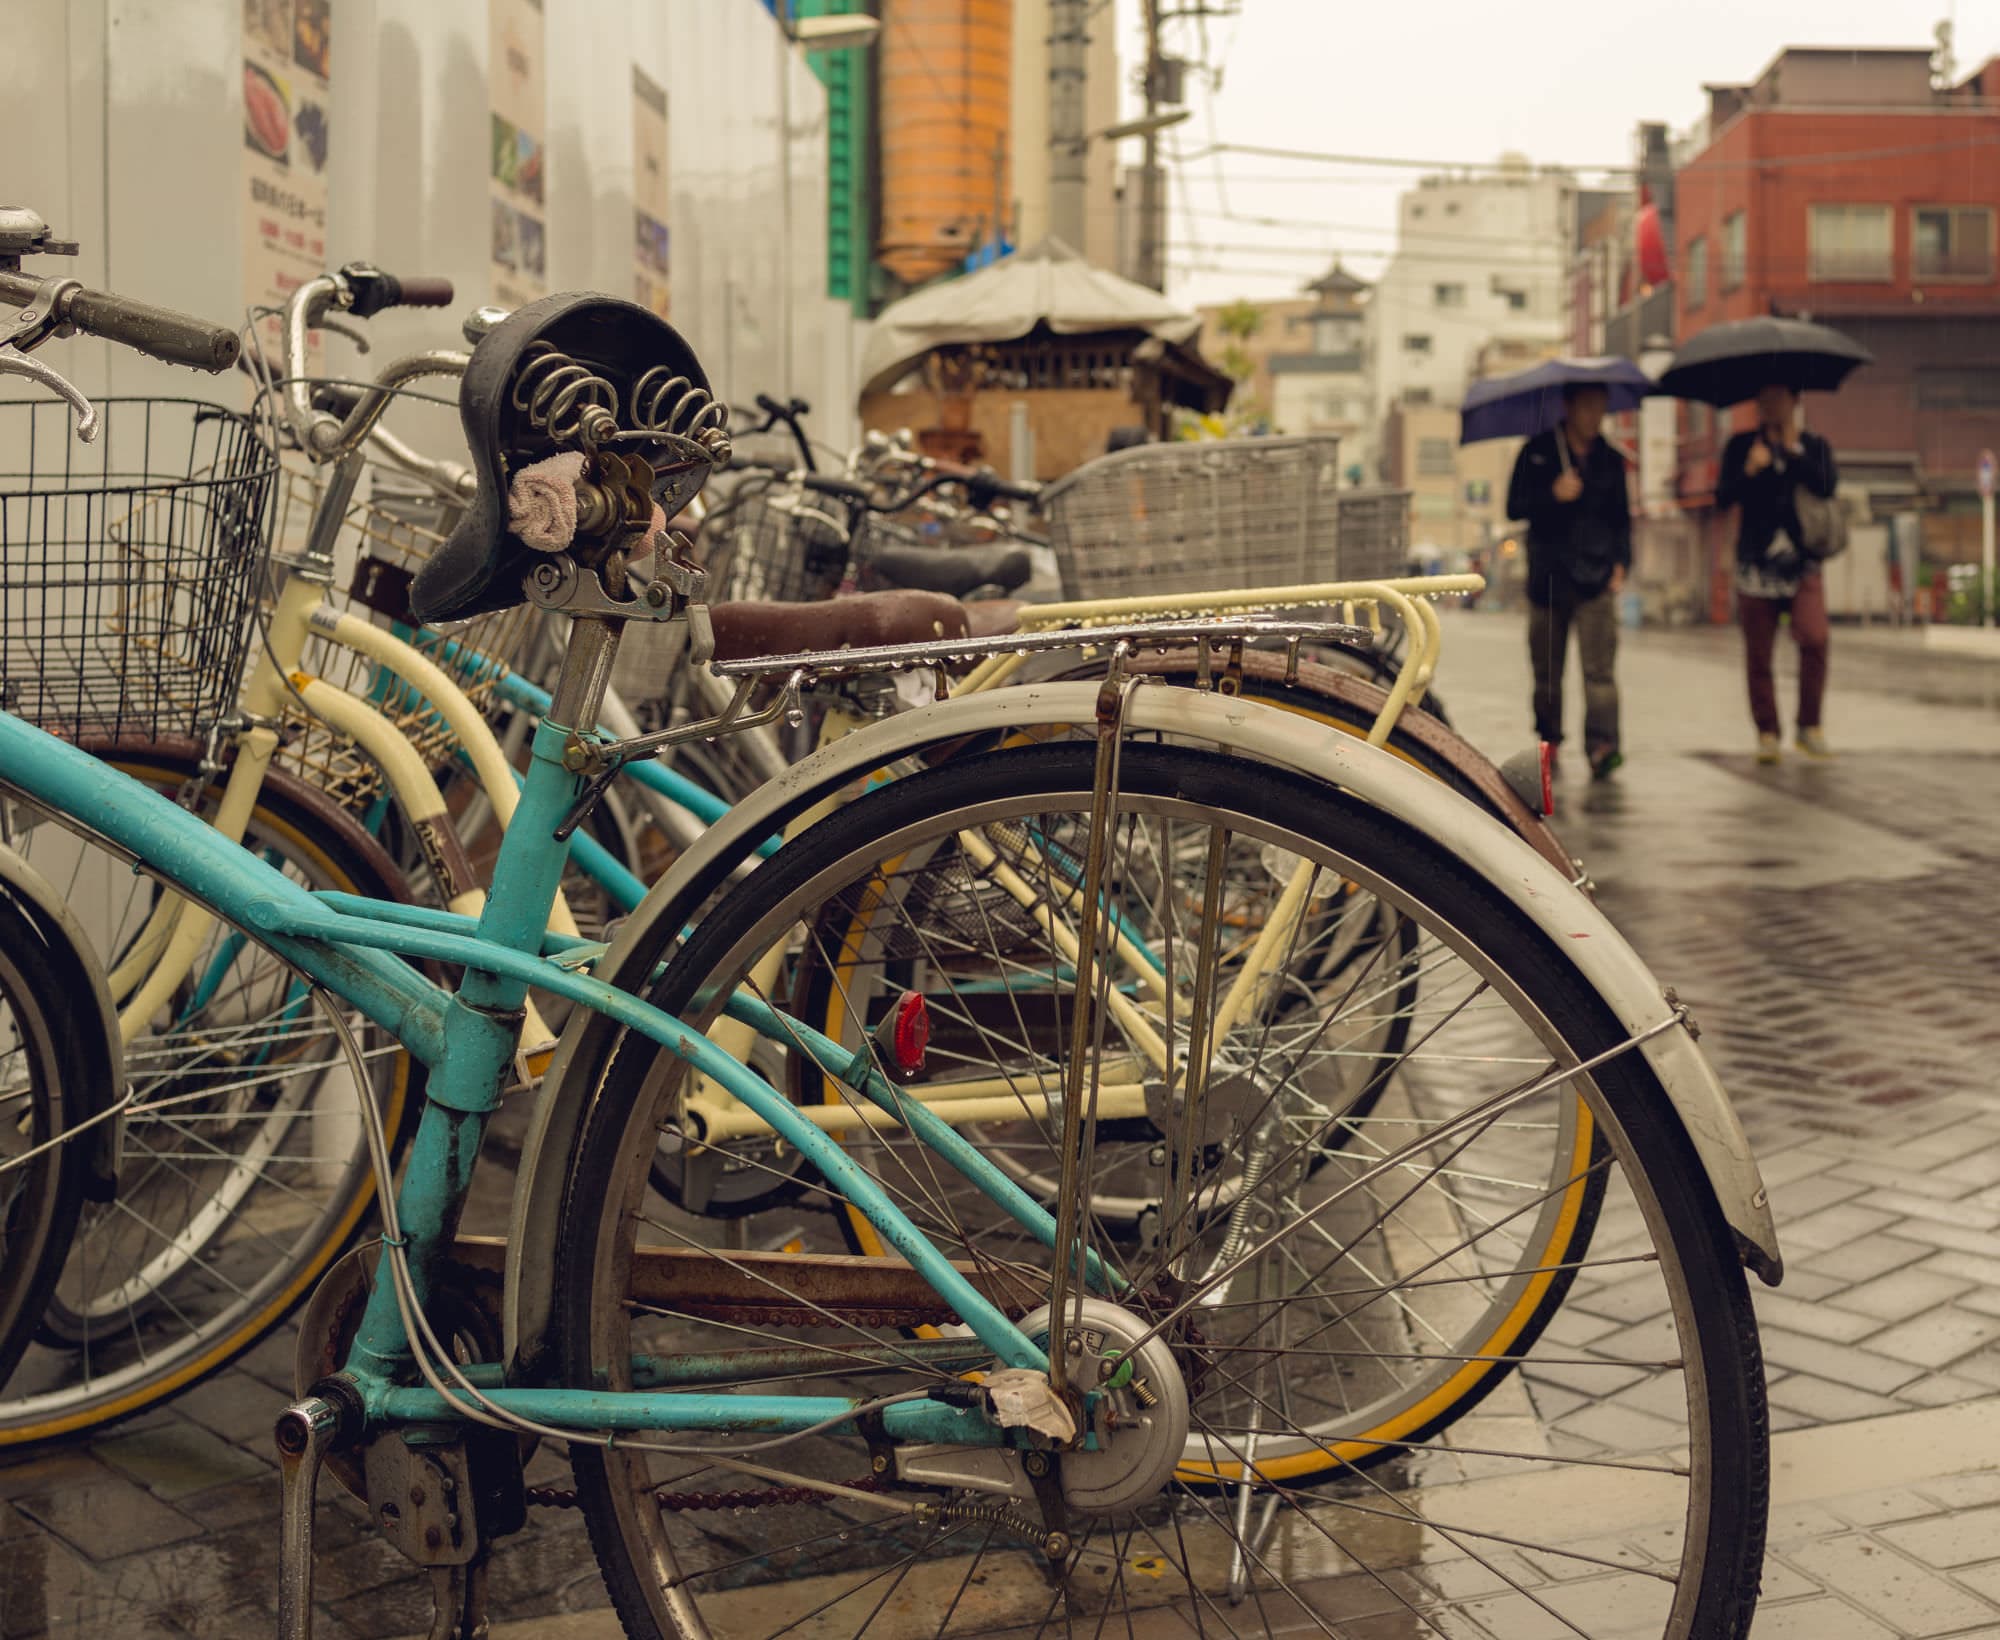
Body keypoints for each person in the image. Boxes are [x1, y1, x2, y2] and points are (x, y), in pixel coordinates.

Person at [1505, 383, 1631, 780]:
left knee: (1600, 672)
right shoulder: (1538, 451)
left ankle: (1603, 746)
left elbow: (1622, 520)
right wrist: (1552, 494)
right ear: (1569, 407)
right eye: (1588, 406)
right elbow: (1514, 506)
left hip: (1594, 579)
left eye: (1601, 407)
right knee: (1546, 674)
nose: (1595, 416)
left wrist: (1621, 563)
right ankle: (1550, 741)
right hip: (1548, 579)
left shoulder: (1610, 460)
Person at [1715, 383, 1838, 763]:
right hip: (1756, 564)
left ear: (1795, 401)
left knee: (1815, 639)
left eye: (1779, 398)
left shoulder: (1814, 445)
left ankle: (1809, 726)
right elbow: (1722, 497)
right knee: (1759, 653)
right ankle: (1767, 731)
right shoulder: (1741, 446)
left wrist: (1795, 452)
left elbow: (1827, 485)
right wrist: (1750, 470)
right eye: (1764, 398)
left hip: (1802, 562)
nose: (1771, 406)